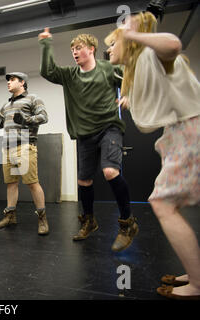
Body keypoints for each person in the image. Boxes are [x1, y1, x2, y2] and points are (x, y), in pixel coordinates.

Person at [105, 11, 199, 300]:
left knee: (162, 203)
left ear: (128, 43)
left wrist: (132, 33)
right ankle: (196, 271)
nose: (109, 49)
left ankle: (198, 283)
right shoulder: (146, 65)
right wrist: (131, 100)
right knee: (171, 203)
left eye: (113, 43)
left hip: (191, 133)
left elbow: (172, 44)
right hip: (182, 133)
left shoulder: (150, 54)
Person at [38, 28, 137, 251]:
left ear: (91, 49)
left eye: (79, 48)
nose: (75, 52)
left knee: (110, 171)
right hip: (85, 134)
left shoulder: (108, 69)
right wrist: (45, 44)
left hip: (109, 128)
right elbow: (48, 71)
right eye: (72, 49)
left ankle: (127, 222)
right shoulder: (70, 75)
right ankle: (89, 221)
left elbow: (131, 78)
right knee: (84, 181)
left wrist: (129, 94)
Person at [0, 72, 49, 235]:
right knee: (11, 183)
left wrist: (26, 119)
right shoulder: (6, 105)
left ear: (22, 82)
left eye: (12, 80)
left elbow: (43, 117)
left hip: (25, 145)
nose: (8, 82)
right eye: (8, 80)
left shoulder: (32, 98)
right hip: (8, 147)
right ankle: (10, 216)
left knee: (32, 183)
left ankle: (42, 218)